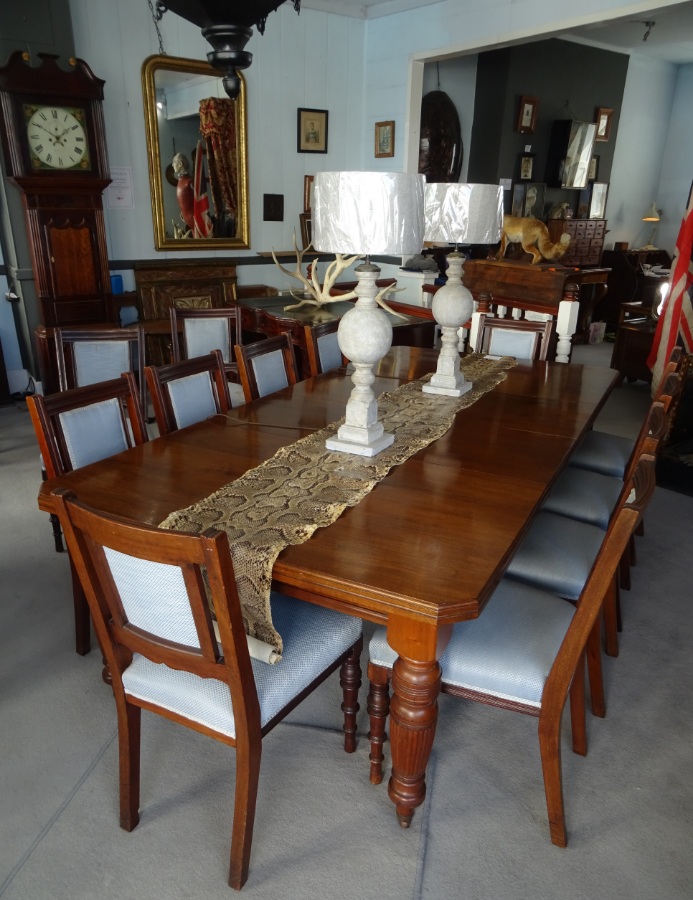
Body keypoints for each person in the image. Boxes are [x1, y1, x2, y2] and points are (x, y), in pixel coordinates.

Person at [172, 152, 194, 233]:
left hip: (195, 222)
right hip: (188, 222)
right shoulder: (181, 181)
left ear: (180, 164)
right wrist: (184, 212)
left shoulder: (189, 181)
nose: (172, 165)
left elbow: (197, 201)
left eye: (174, 162)